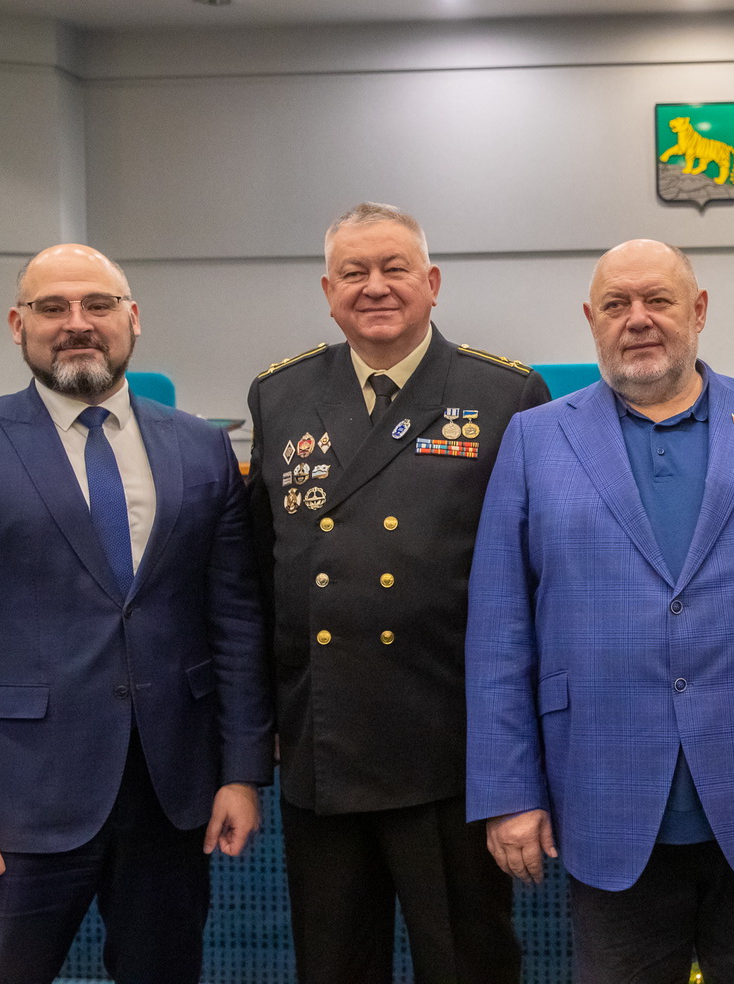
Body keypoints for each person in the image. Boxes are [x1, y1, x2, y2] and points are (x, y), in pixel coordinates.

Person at [465, 239, 734, 982]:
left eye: (658, 300)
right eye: (616, 304)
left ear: (699, 310)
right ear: (590, 319)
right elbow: (499, 631)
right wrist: (508, 793)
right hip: (603, 798)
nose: (638, 319)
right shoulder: (535, 438)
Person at [0, 244, 272, 984]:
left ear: (133, 318)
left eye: (98, 304)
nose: (77, 323)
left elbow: (235, 621)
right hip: (10, 808)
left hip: (170, 798)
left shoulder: (201, 447)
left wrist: (242, 772)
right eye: (52, 307)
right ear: (17, 324)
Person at [246, 202, 549, 984]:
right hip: (324, 740)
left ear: (432, 283)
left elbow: (536, 582)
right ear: (328, 291)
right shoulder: (279, 395)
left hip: (449, 744)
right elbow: (259, 574)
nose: (374, 287)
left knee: (467, 964)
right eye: (354, 272)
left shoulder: (504, 394)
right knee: (333, 966)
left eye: (394, 269)